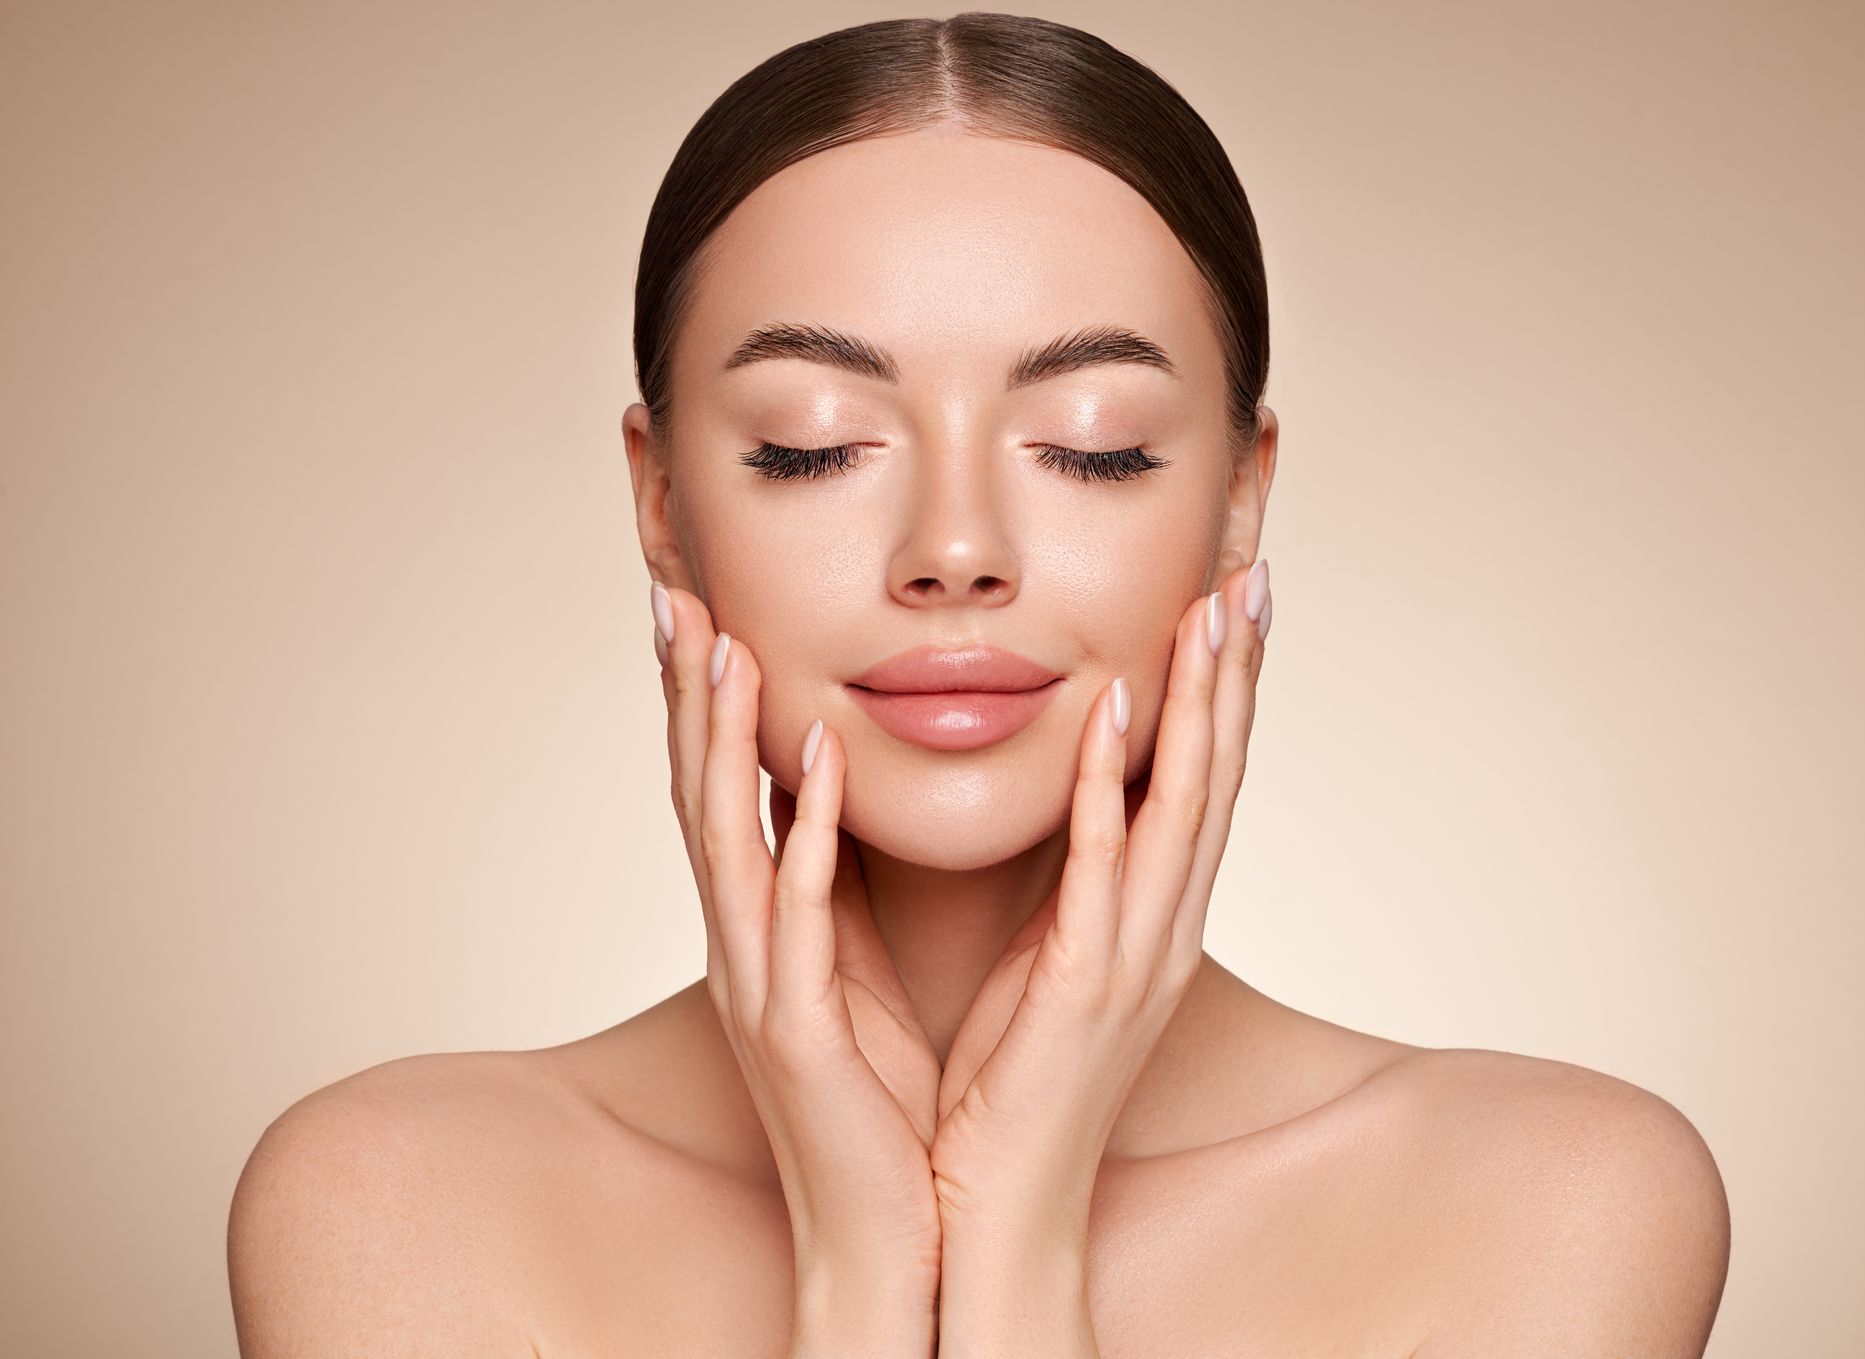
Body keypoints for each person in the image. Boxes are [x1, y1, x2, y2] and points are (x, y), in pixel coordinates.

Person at [227, 13, 1730, 1356]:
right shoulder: (394, 1199)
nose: (954, 549)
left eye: (1093, 444)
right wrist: (858, 1273)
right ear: (663, 502)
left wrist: (1019, 1242)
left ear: (1239, 500)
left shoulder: (1558, 1200)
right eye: (811, 443)